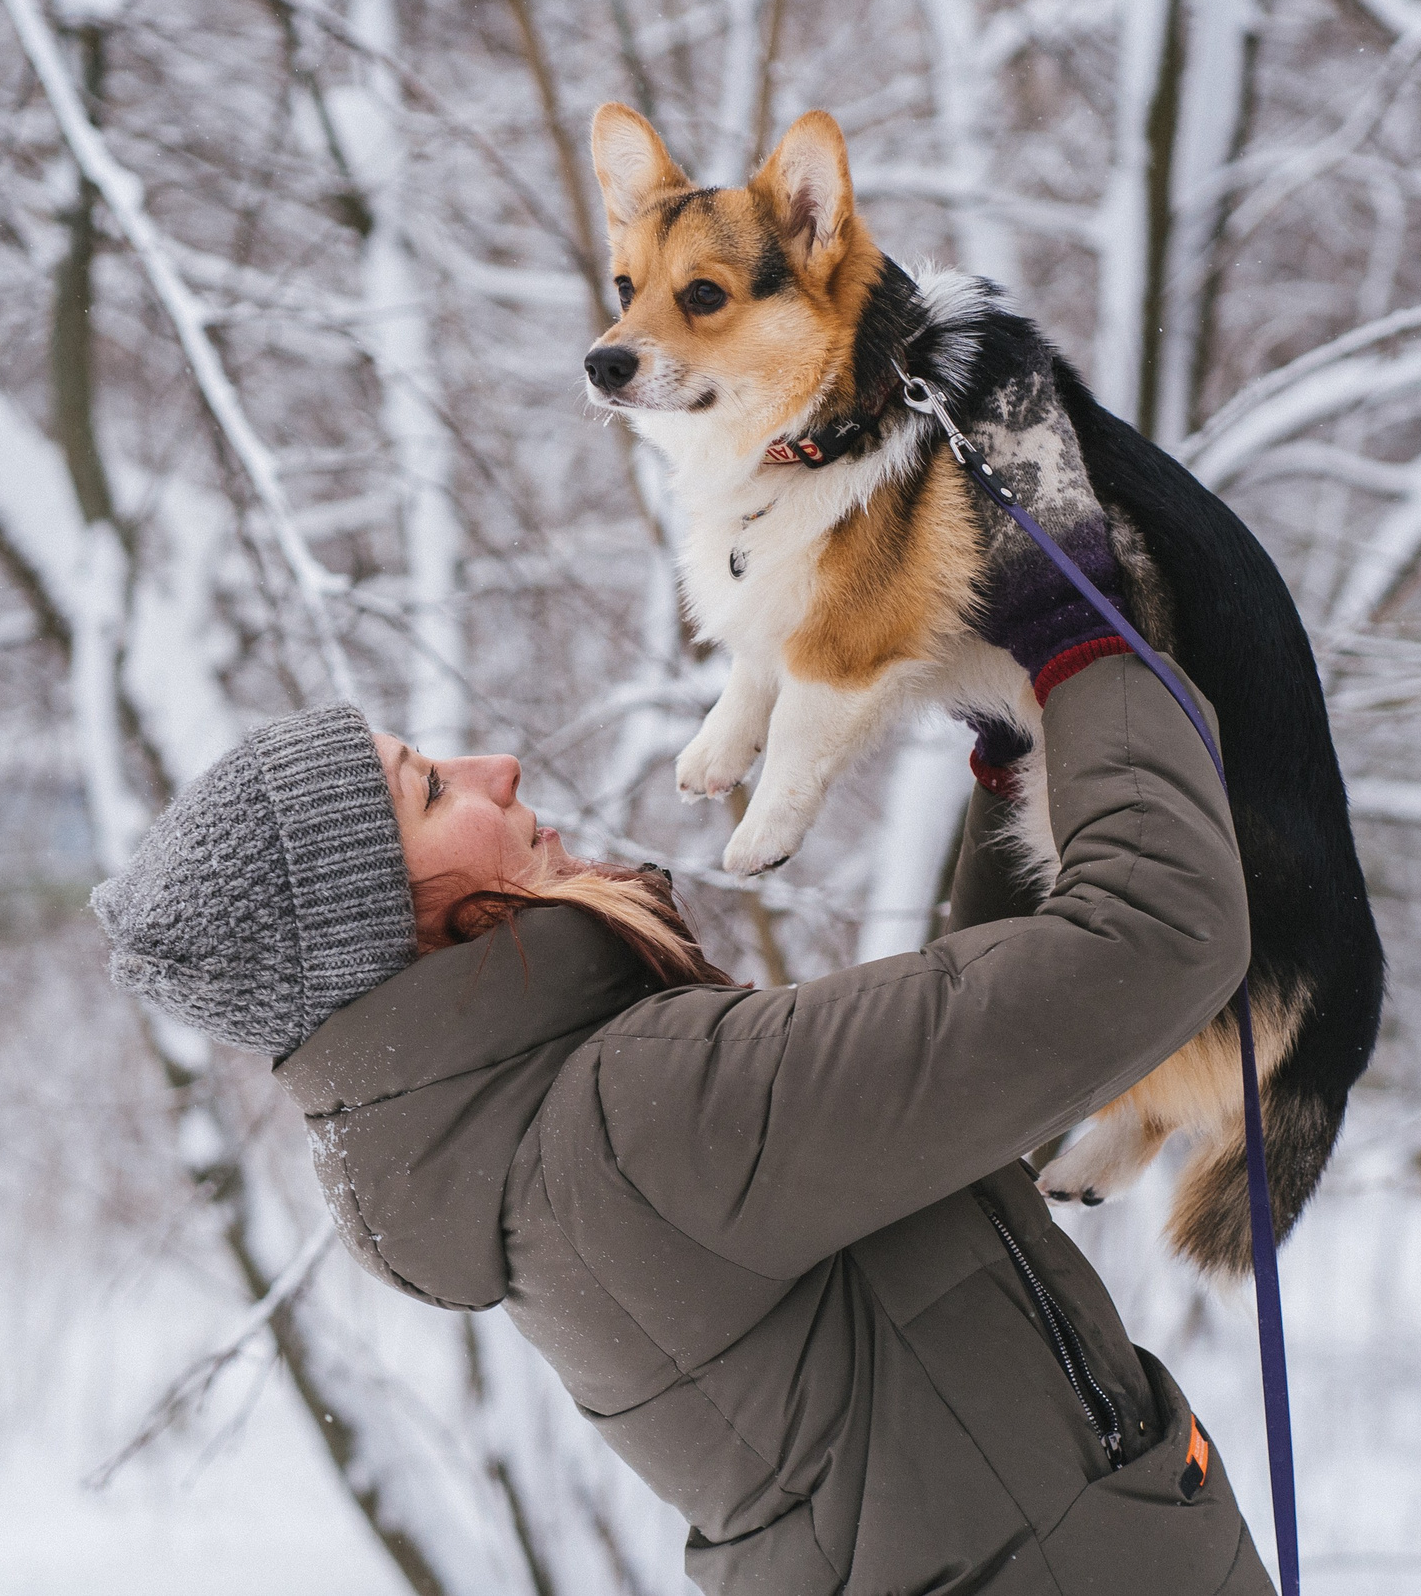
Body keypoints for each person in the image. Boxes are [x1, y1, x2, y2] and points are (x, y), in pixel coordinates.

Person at [90, 515, 1271, 1594]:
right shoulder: (633, 1122)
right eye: (434, 789)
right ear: (396, 929)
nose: (497, 767)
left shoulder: (555, 1153)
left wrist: (1025, 761)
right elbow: (1159, 935)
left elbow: (968, 1088)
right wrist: (1075, 637)